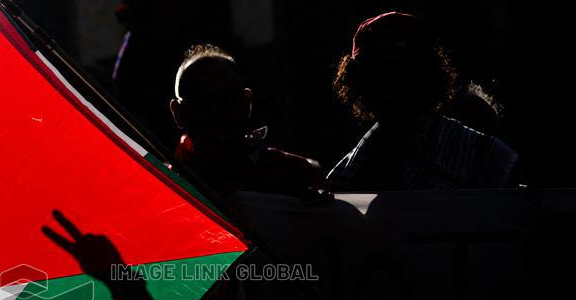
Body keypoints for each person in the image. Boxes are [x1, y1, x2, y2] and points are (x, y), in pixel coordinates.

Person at [327, 12, 520, 191]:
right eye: (373, 69)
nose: (387, 81)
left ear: (423, 71)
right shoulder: (343, 179)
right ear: (357, 80)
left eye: (397, 66)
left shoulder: (487, 158)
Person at [170, 44, 325, 198]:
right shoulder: (165, 186)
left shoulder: (293, 173)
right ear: (178, 113)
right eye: (200, 103)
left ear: (246, 102)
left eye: (226, 100)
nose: (215, 112)